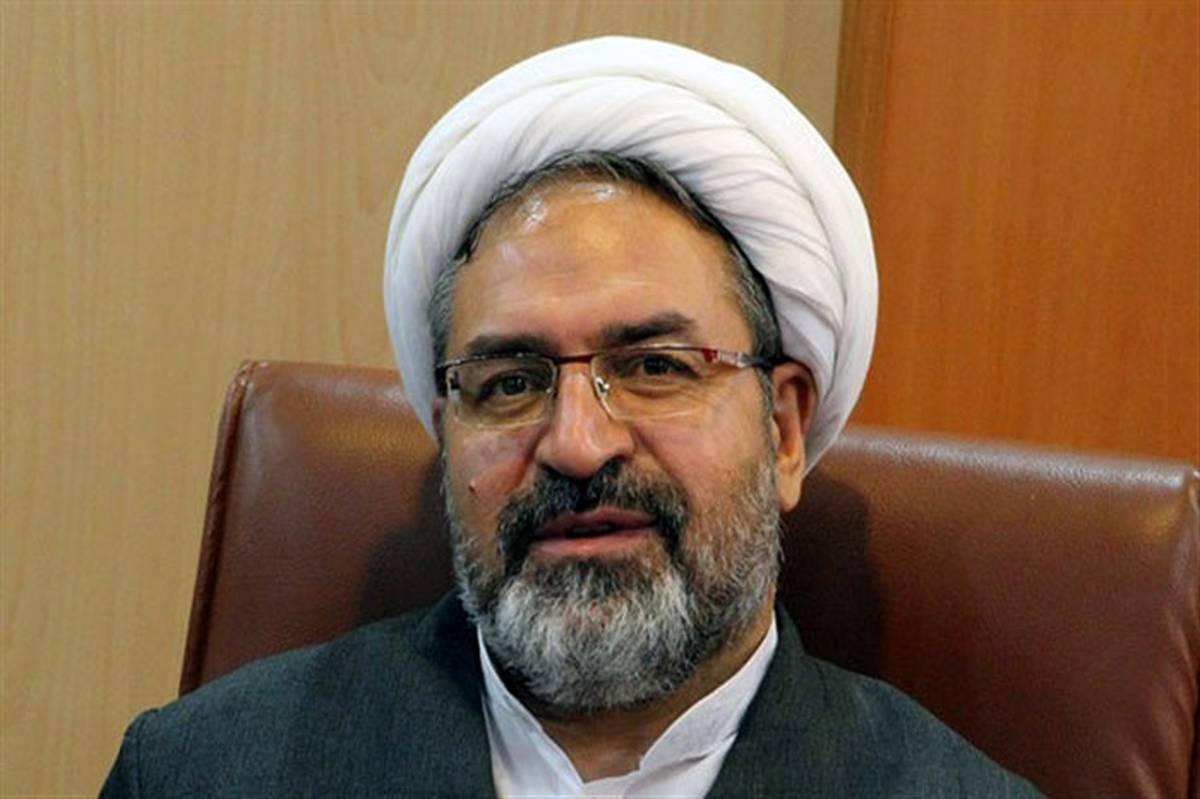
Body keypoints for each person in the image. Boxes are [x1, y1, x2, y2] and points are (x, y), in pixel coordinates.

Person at [102, 38, 1041, 797]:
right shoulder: (200, 773)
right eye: (511, 382)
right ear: (448, 427)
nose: (579, 445)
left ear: (785, 430)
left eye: (656, 368)